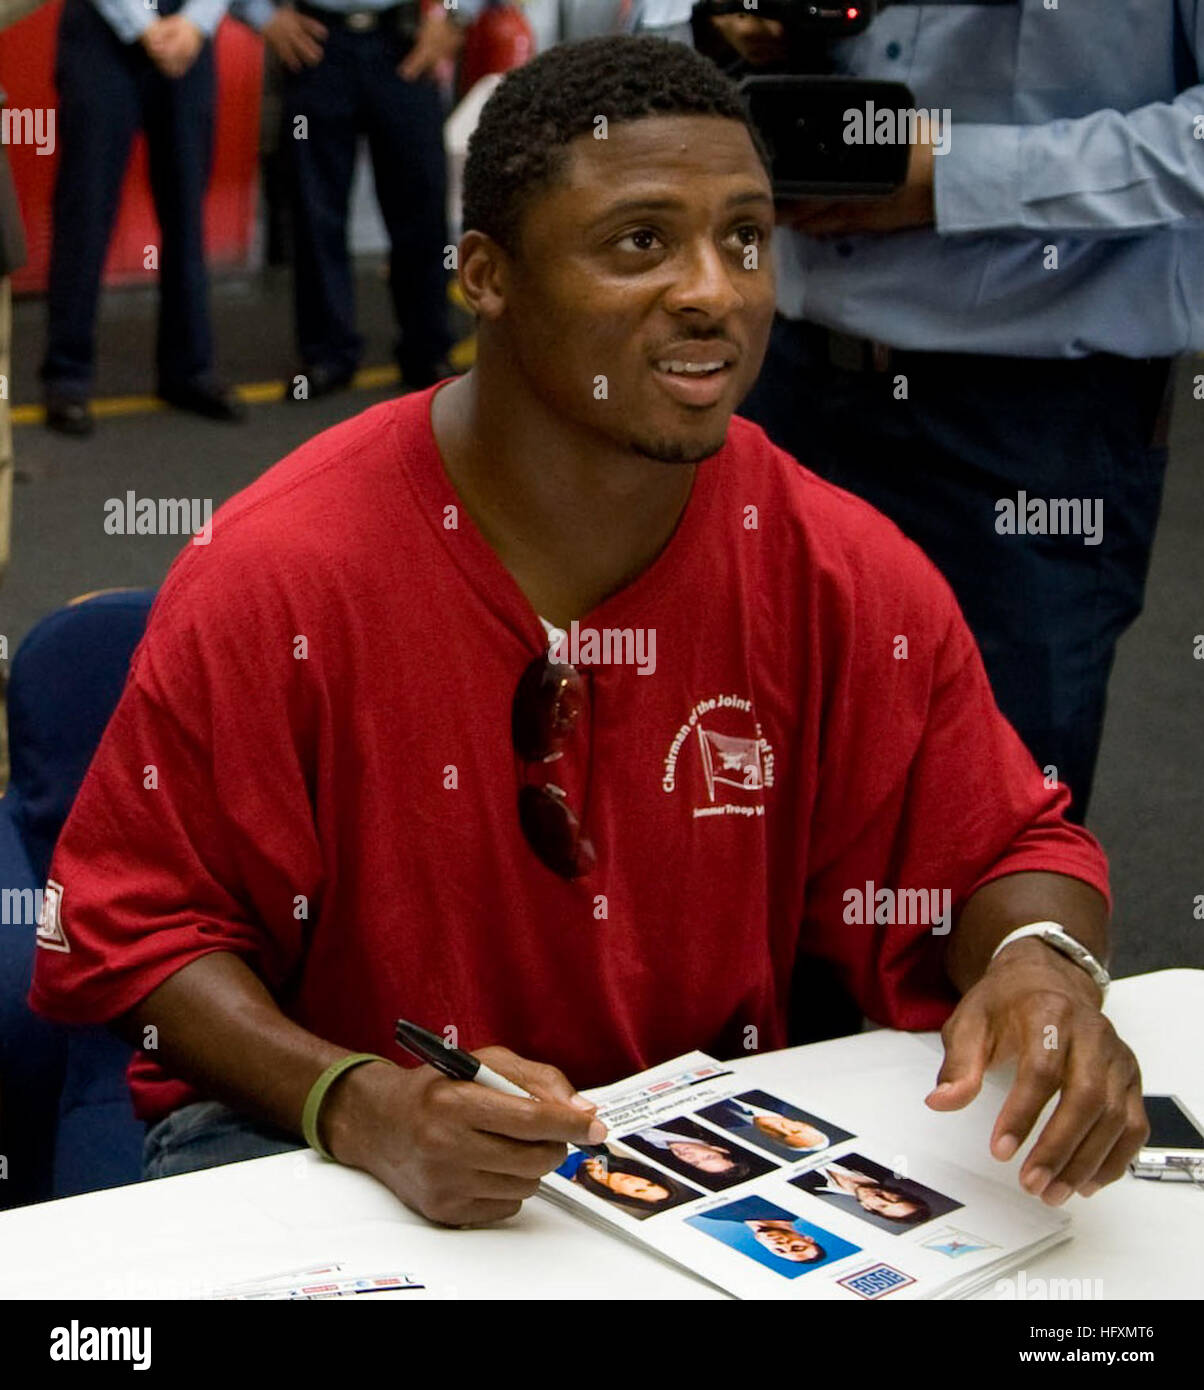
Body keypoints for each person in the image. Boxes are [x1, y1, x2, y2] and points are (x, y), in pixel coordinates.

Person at [32, 35, 1148, 1231]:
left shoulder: (836, 565)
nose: (714, 291)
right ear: (486, 274)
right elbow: (134, 936)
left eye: (745, 238)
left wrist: (1041, 962)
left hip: (683, 1144)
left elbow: (1004, 848)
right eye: (640, 242)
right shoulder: (282, 569)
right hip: (315, 1132)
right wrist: (359, 1103)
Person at [712, 0, 1204, 822]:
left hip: (1030, 423)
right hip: (784, 378)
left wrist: (954, 176)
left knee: (984, 834)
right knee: (747, 796)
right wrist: (717, 25)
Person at [231, 0, 481, 399]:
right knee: (315, 212)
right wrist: (263, 16)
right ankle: (326, 353)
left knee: (422, 206)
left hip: (406, 41)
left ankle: (428, 349)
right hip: (315, 46)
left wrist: (455, 14)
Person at [39, 0, 246, 435]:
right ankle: (67, 375)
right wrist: (145, 26)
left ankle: (189, 371)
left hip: (188, 29)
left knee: (187, 208)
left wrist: (194, 22)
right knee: (86, 210)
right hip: (102, 31)